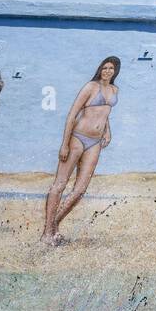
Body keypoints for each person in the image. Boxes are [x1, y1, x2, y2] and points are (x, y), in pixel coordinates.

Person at [42, 56, 120, 246]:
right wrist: (64, 143)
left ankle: (54, 225)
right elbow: (72, 114)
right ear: (100, 68)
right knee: (60, 185)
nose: (107, 71)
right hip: (77, 137)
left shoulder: (114, 89)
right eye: (105, 67)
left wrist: (108, 132)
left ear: (116, 71)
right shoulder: (90, 87)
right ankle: (47, 233)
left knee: (79, 190)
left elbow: (105, 113)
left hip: (95, 142)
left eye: (111, 68)